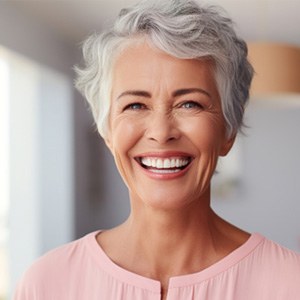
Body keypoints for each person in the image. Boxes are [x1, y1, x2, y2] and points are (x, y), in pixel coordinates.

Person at [14, 0, 300, 299]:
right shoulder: (46, 284)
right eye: (135, 105)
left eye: (189, 104)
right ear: (107, 130)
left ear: (228, 130)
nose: (161, 133)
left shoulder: (291, 284)